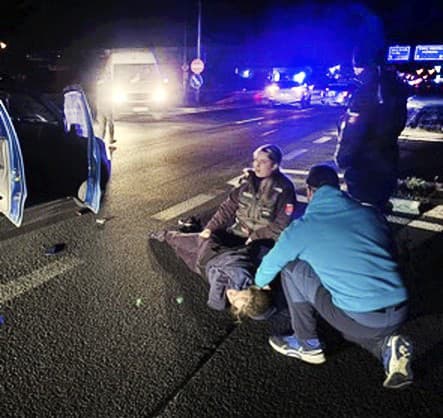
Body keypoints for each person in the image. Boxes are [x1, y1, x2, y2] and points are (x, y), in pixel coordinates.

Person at [253, 164, 413, 389]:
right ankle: (387, 347)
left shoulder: (303, 228)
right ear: (339, 188)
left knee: (291, 267)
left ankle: (307, 345)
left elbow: (267, 270)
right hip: (400, 306)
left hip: (362, 315)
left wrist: (255, 286)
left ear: (310, 191)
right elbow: (390, 252)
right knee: (354, 328)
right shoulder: (369, 212)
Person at [149, 144, 297, 315]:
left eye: (262, 162)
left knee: (269, 275)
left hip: (262, 242)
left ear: (275, 165)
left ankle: (243, 295)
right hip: (237, 233)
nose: (256, 165)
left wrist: (257, 236)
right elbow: (227, 208)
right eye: (255, 160)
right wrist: (210, 228)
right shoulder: (246, 183)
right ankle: (168, 236)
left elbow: (281, 224)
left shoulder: (285, 189)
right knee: (200, 242)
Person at [334, 44, 410, 211]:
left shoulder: (367, 90)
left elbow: (353, 131)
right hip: (387, 158)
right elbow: (400, 122)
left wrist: (342, 158)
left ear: (359, 64)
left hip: (365, 164)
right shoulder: (393, 85)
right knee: (379, 207)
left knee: (362, 211)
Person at [96, 68, 116, 148]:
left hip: (101, 106)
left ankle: (101, 141)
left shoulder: (99, 84)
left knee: (102, 125)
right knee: (110, 123)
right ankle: (110, 139)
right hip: (106, 106)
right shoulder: (108, 84)